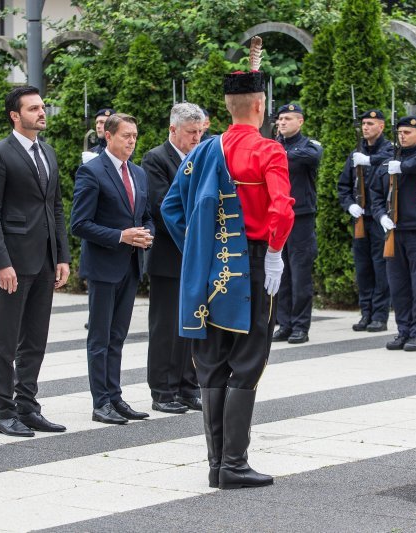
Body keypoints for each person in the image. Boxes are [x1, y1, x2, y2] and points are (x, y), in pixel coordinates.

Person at [161, 42, 295, 490]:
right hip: (253, 264)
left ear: (226, 107)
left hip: (210, 267)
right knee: (249, 359)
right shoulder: (269, 151)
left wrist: (202, 247)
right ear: (259, 106)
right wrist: (274, 253)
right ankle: (234, 464)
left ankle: (218, 464)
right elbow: (282, 209)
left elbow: (171, 207)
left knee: (212, 362)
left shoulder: (202, 151)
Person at [0, 86, 71, 437]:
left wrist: (62, 255)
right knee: (5, 340)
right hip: (13, 264)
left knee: (35, 339)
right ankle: (4, 411)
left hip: (46, 261)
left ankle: (28, 406)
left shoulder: (47, 152)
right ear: (15, 116)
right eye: (33, 108)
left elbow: (57, 207)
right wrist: (1, 262)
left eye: (42, 106)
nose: (42, 112)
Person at [71, 113, 154, 425]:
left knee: (118, 336)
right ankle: (100, 401)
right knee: (100, 337)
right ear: (108, 136)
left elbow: (146, 215)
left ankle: (116, 397)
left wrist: (147, 234)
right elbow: (79, 224)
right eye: (125, 136)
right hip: (104, 266)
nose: (131, 141)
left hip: (131, 265)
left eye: (134, 136)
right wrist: (121, 236)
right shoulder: (91, 171)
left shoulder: (138, 173)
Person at [142, 103, 204, 414]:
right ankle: (163, 390)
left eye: (200, 131)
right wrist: (194, 232)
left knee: (192, 324)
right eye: (191, 132)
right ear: (173, 130)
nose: (197, 138)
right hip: (170, 254)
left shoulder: (203, 156)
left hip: (195, 255)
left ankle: (188, 386)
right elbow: (161, 205)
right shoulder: (156, 159)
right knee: (166, 327)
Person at [371, 116, 416, 352]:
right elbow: (376, 195)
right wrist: (381, 217)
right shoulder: (387, 163)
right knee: (398, 286)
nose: (403, 136)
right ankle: (403, 331)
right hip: (393, 233)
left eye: (408, 132)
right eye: (400, 132)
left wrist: (403, 167)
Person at [338, 110, 393, 332]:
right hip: (361, 219)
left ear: (381, 126)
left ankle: (380, 316)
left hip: (381, 219)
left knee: (380, 269)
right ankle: (366, 313)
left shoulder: (388, 150)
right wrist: (349, 204)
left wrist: (369, 160)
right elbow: (343, 186)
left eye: (370, 123)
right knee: (363, 269)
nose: (366, 127)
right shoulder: (356, 154)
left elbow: (390, 160)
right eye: (363, 123)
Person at [271, 103, 322, 344]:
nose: (282, 122)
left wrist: (278, 153)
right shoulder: (274, 146)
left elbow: (311, 157)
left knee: (300, 275)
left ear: (300, 122)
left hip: (300, 217)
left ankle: (301, 326)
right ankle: (285, 323)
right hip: (277, 217)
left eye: (288, 118)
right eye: (280, 119)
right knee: (281, 274)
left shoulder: (308, 147)